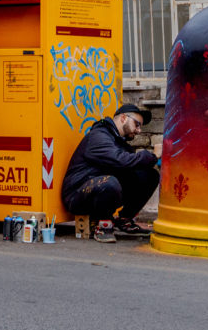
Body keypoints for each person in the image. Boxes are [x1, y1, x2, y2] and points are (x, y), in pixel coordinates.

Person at [61, 104, 162, 243]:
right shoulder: (99, 136)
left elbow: (131, 164)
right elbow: (120, 160)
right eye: (137, 124)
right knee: (110, 182)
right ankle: (103, 225)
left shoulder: (118, 141)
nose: (138, 130)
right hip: (77, 193)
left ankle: (124, 219)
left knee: (149, 175)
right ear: (123, 118)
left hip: (100, 189)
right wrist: (153, 156)